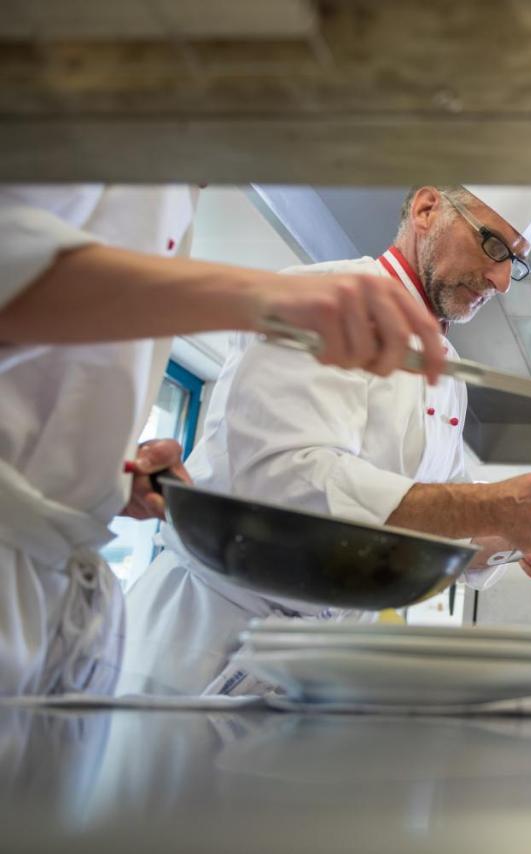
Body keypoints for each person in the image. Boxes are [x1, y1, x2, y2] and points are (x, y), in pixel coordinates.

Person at [119, 185, 531, 696]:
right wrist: (494, 508)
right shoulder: (320, 299)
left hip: (322, 661)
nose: (502, 280)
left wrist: (515, 537)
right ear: (426, 209)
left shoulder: (448, 373)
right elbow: (286, 484)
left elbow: (440, 525)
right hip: (204, 644)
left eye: (516, 262)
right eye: (493, 245)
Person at [0, 184, 447, 696]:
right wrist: (258, 297)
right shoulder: (87, 128)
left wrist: (99, 465)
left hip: (58, 593)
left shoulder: (178, 191)